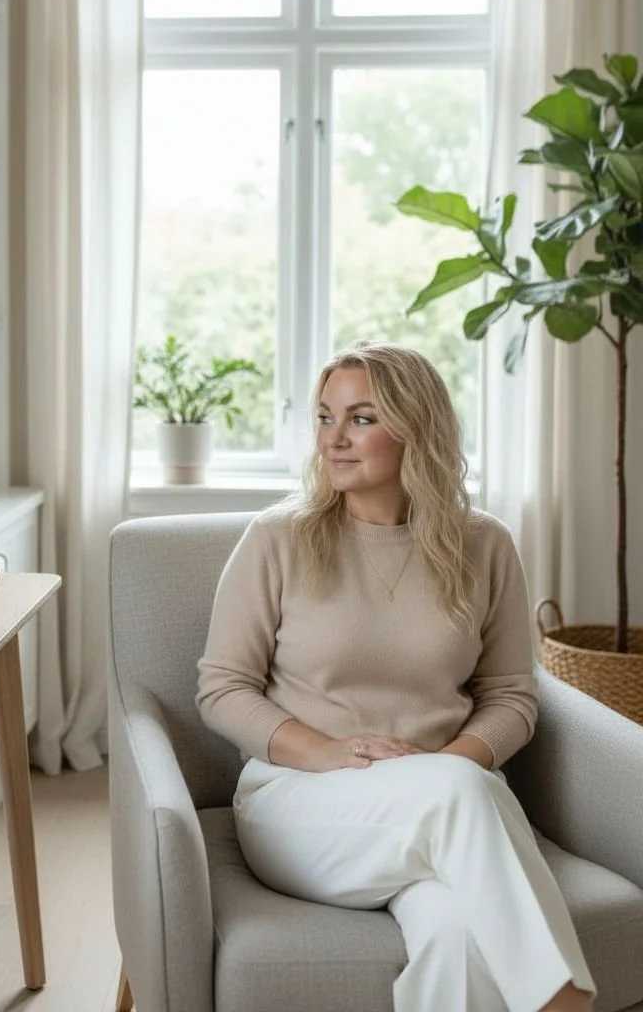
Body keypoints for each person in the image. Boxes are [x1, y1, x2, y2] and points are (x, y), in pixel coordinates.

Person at [196, 342, 595, 1012]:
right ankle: (565, 1003)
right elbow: (222, 687)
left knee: (459, 932)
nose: (334, 439)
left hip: (445, 804)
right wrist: (323, 751)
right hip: (300, 802)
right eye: (325, 418)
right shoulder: (279, 538)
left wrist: (443, 765)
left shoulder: (485, 545)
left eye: (361, 418)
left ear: (417, 427)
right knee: (463, 798)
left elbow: (511, 696)